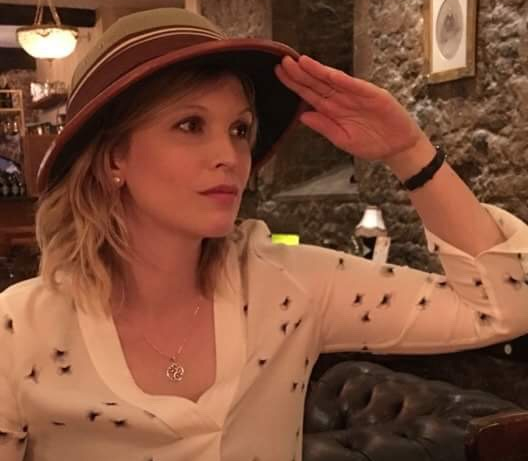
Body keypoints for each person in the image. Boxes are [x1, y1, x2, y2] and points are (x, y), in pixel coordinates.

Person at [1, 7, 527, 461]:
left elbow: (503, 304)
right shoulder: (21, 333)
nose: (230, 157)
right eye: (190, 125)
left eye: (239, 130)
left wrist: (408, 150)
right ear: (114, 156)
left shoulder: (289, 289)